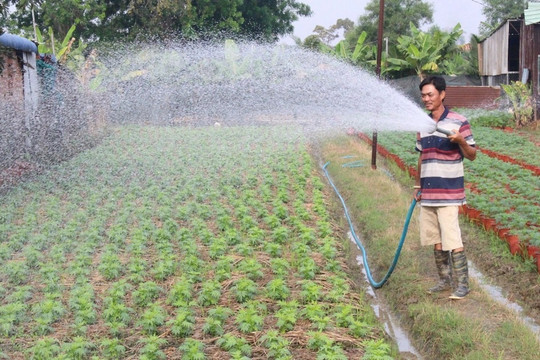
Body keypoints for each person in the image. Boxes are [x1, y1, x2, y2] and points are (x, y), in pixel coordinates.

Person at [414, 76, 476, 300]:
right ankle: (444, 280)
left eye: (430, 94)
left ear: (442, 94)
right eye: (423, 95)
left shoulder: (459, 121)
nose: (426, 99)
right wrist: (418, 185)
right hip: (429, 192)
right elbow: (422, 156)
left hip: (449, 191)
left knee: (452, 239)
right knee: (436, 239)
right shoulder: (422, 123)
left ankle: (462, 285)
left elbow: (472, 155)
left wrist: (460, 141)